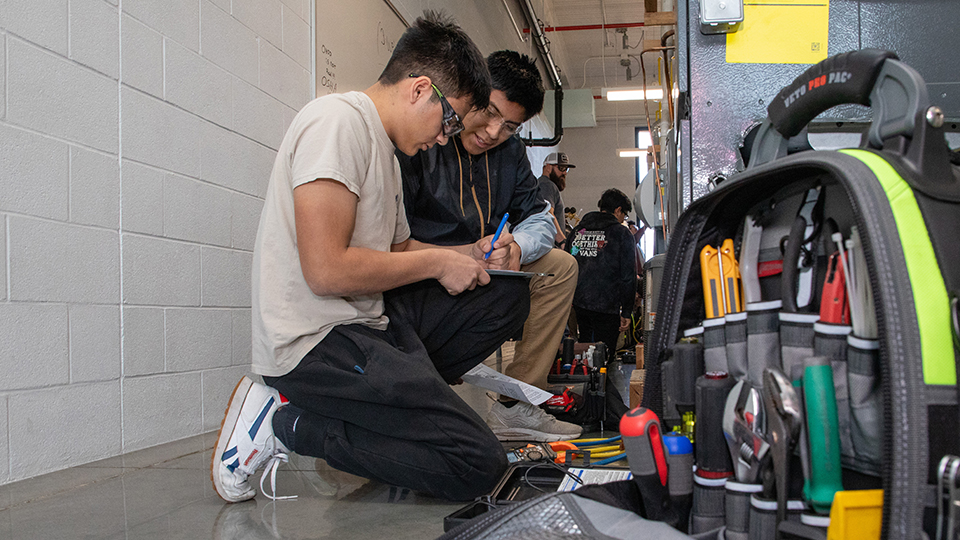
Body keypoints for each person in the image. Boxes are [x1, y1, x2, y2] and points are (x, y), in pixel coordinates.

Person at [211, 12, 531, 504]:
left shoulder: (386, 147)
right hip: (315, 343)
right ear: (420, 89)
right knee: (478, 465)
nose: (445, 138)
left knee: (505, 295)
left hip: (367, 321)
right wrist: (437, 265)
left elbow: (399, 249)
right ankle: (286, 421)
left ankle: (397, 418)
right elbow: (326, 270)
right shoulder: (336, 123)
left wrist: (468, 254)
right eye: (449, 120)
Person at [397, 50, 581, 442]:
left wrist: (517, 248)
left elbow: (538, 218)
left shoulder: (509, 153)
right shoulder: (422, 138)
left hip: (484, 268)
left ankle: (515, 408)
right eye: (488, 112)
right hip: (420, 274)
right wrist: (451, 257)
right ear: (469, 93)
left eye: (510, 126)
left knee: (560, 267)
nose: (494, 132)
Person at [564, 189, 637, 363]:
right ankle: (602, 388)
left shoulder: (578, 232)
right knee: (604, 358)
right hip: (607, 305)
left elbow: (568, 262)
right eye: (624, 215)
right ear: (618, 210)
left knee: (584, 353)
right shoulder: (621, 234)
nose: (623, 220)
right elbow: (628, 276)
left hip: (579, 304)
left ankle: (583, 387)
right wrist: (626, 311)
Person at [538, 152, 575, 245]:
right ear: (548, 167)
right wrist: (562, 241)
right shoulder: (546, 185)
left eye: (566, 169)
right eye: (561, 168)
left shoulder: (545, 185)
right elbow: (547, 213)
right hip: (550, 246)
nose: (565, 173)